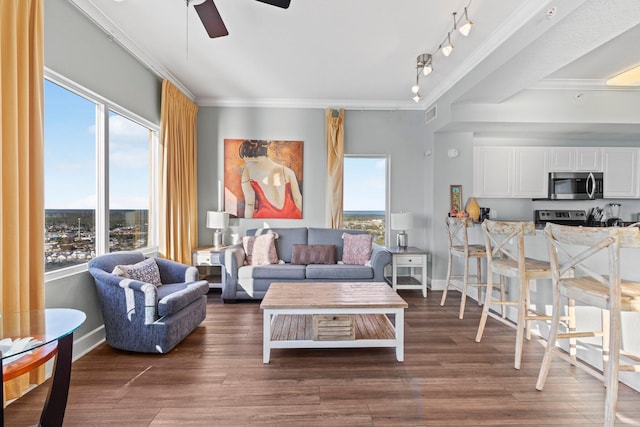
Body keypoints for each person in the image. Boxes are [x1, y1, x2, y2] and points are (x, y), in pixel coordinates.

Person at [239, 140, 302, 219]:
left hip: (265, 216)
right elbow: (297, 199)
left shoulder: (248, 169)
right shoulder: (288, 172)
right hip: (293, 216)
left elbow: (249, 204)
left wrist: (247, 224)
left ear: (247, 157)